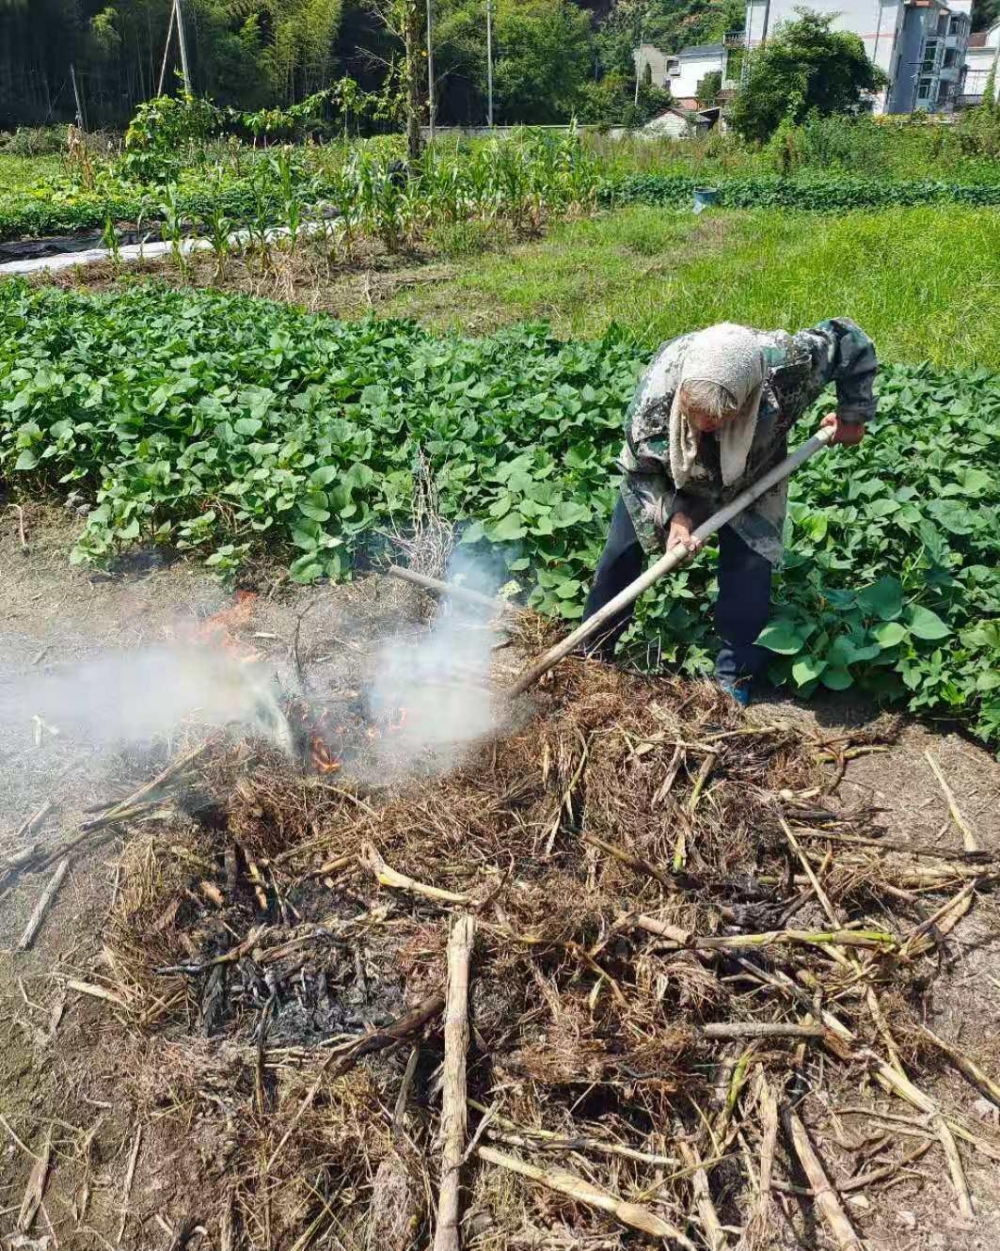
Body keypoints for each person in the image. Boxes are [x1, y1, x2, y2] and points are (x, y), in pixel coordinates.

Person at [582, 319, 878, 704]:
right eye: (698, 416)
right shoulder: (653, 404)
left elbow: (848, 339)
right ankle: (591, 652)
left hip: (755, 464)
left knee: (750, 564)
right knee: (622, 551)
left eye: (719, 418)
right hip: (666, 468)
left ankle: (732, 677)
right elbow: (644, 474)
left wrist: (853, 415)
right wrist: (678, 515)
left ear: (751, 395)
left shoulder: (789, 367)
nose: (707, 426)